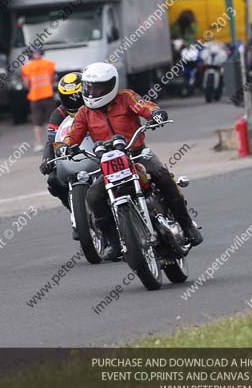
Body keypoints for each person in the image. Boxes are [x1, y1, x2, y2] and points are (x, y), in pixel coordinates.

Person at [62, 62, 203, 260]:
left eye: (98, 87)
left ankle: (187, 225)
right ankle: (114, 241)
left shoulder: (125, 98)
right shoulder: (84, 112)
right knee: (93, 196)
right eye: (89, 87)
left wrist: (155, 113)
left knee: (161, 175)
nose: (92, 92)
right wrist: (65, 146)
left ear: (111, 85)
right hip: (108, 161)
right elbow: (73, 134)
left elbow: (144, 105)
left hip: (136, 153)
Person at [39, 73, 84, 237]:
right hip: (70, 154)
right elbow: (51, 141)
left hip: (95, 151)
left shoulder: (95, 106)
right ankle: (74, 210)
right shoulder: (58, 114)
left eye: (76, 96)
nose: (73, 101)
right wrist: (46, 159)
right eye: (68, 97)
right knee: (53, 180)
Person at [21, 46, 57, 152]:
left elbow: (27, 84)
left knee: (37, 122)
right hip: (48, 95)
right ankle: (52, 142)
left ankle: (39, 144)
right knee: (50, 121)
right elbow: (52, 79)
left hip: (35, 97)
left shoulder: (26, 67)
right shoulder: (49, 64)